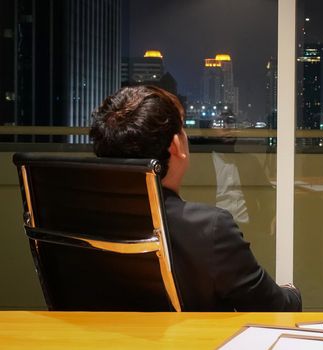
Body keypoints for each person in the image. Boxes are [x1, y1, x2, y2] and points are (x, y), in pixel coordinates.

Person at [89, 85, 301, 311]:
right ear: (176, 145)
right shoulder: (211, 229)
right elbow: (275, 308)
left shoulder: (80, 217)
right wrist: (292, 291)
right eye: (182, 129)